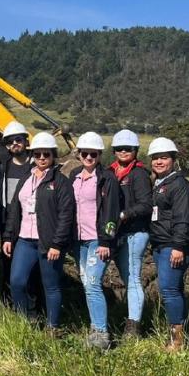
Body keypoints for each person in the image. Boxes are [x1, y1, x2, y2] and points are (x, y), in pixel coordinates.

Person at [2, 132, 75, 332]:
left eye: (46, 154)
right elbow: (15, 209)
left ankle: (53, 327)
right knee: (17, 282)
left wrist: (57, 244)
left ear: (53, 155)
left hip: (48, 242)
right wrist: (9, 236)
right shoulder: (27, 177)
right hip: (25, 240)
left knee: (51, 286)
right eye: (37, 154)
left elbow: (66, 215)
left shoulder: (60, 181)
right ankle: (24, 322)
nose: (41, 158)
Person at [67, 132, 121, 349]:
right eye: (85, 153)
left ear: (99, 155)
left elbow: (112, 211)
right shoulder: (74, 176)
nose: (88, 157)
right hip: (78, 240)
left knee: (92, 283)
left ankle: (101, 333)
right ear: (79, 154)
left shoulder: (107, 179)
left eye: (93, 154)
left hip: (97, 241)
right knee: (87, 283)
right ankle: (94, 329)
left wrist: (106, 241)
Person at [146, 137, 189, 351]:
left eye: (163, 157)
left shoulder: (179, 185)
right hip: (160, 244)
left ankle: (177, 340)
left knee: (169, 290)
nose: (158, 162)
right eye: (155, 158)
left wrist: (179, 246)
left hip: (171, 246)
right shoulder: (160, 183)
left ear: (173, 159)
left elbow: (183, 218)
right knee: (175, 289)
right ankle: (179, 332)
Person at [0, 121, 32, 305]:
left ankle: (31, 303)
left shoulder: (36, 164)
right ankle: (8, 298)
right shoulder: (4, 162)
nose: (15, 144)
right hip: (7, 220)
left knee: (30, 264)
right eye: (10, 141)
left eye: (18, 139)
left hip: (29, 220)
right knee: (8, 260)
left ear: (26, 141)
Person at [109, 129, 152, 338]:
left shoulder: (139, 174)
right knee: (128, 277)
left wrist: (125, 214)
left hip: (135, 232)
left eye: (128, 149)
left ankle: (133, 325)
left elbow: (146, 205)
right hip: (119, 233)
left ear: (135, 150)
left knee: (133, 277)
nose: (124, 152)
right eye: (119, 149)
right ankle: (130, 317)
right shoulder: (112, 172)